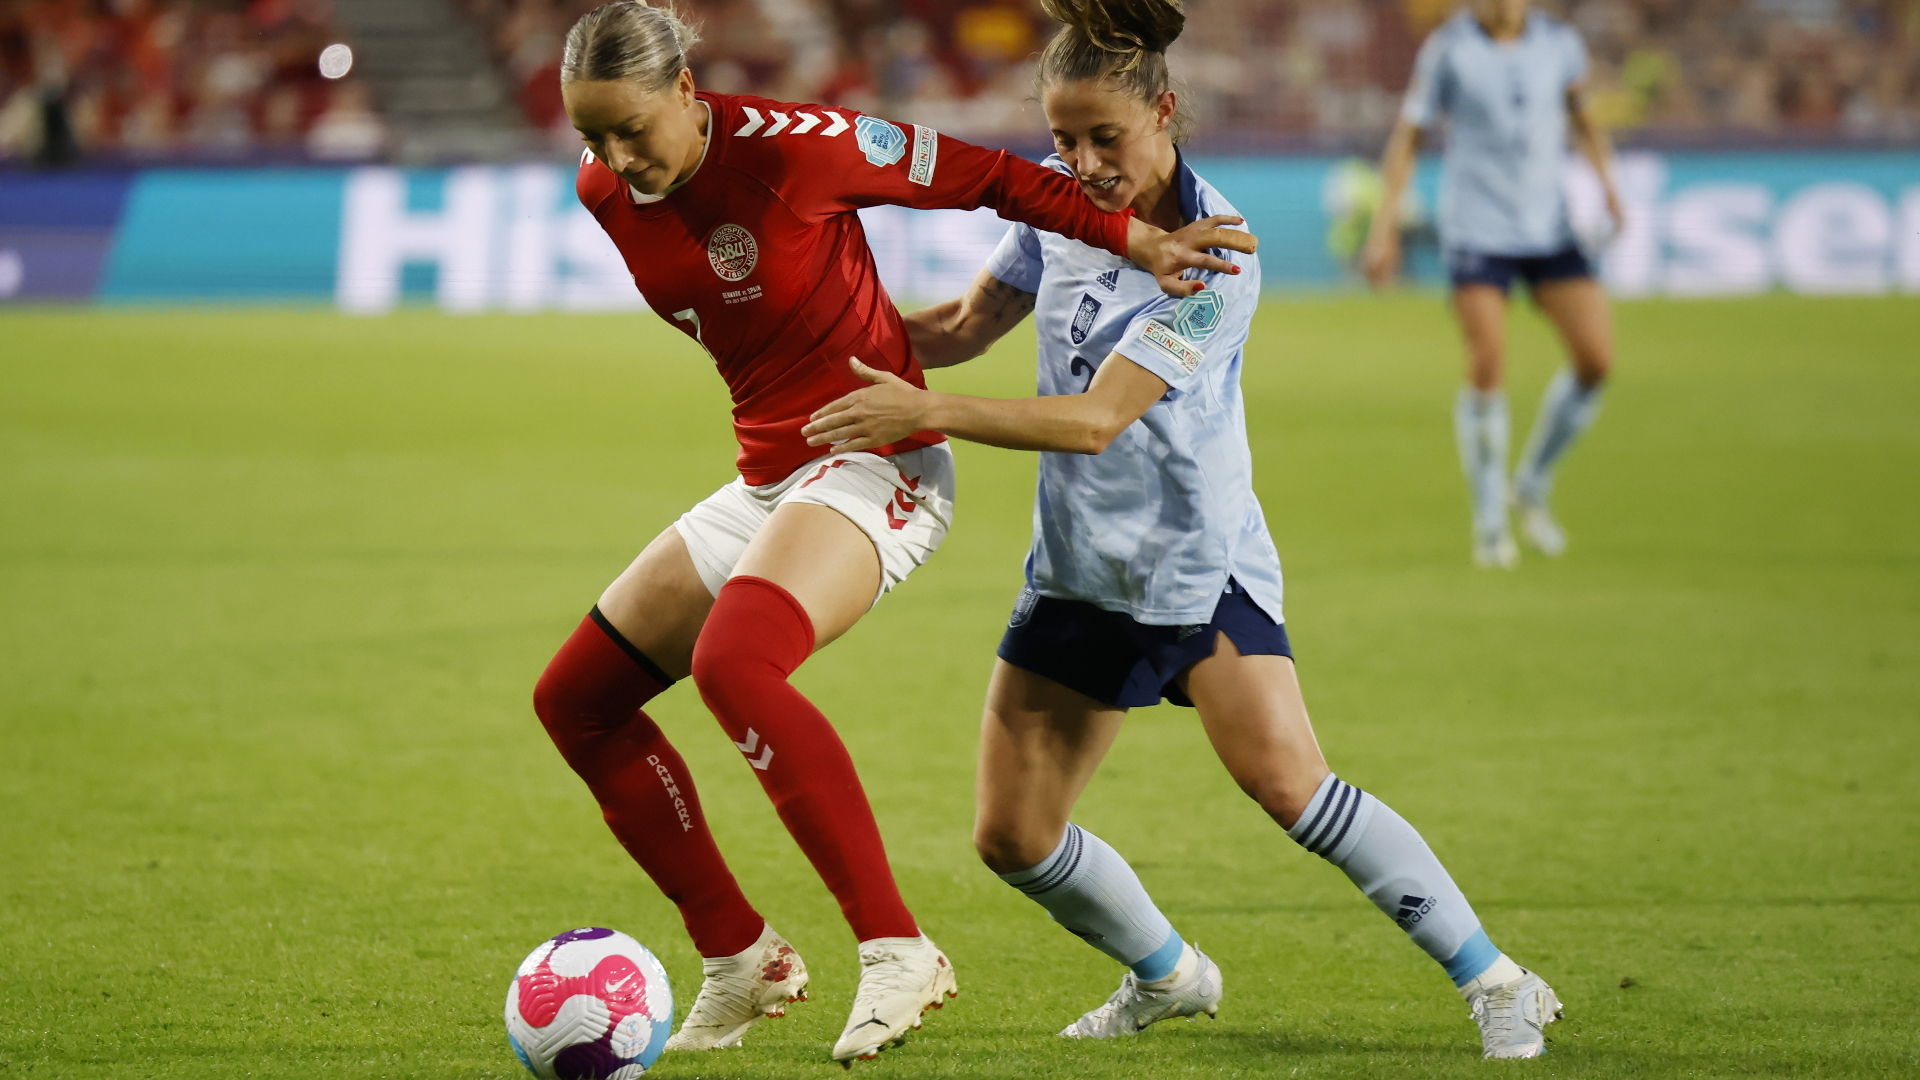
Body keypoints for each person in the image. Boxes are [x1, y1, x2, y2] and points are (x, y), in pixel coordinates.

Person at [800, 0, 1563, 1059]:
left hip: (1191, 564)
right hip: (1078, 565)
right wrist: (817, 344)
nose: (1083, 163)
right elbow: (969, 325)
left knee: (1290, 785)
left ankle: (1501, 982)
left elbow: (1095, 420)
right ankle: (1168, 974)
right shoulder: (1059, 210)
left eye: (1103, 137)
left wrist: (921, 412)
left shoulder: (1219, 250)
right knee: (1013, 837)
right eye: (1063, 141)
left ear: (1164, 112)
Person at [528, 0, 1252, 1066]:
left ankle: (896, 948)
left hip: (882, 462)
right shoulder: (605, 189)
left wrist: (1132, 234)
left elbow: (993, 177)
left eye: (632, 127)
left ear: (688, 90)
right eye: (592, 136)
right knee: (576, 702)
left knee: (738, 660)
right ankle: (740, 956)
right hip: (773, 474)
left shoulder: (796, 148)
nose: (614, 158)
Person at [1361, 0, 1622, 568]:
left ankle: (1529, 483)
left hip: (1548, 227)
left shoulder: (1560, 44)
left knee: (1597, 360)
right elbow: (1408, 138)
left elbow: (1583, 119)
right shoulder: (1449, 49)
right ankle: (1488, 523)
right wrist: (1385, 228)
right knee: (1488, 363)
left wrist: (1609, 185)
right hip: (1477, 230)